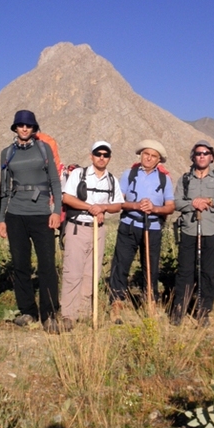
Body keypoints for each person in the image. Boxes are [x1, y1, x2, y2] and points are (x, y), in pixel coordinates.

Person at [0, 110, 62, 333]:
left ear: (34, 128)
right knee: (20, 265)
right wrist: (1, 218)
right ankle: (28, 311)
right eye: (20, 125)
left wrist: (57, 211)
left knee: (47, 265)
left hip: (41, 214)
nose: (24, 128)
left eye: (29, 125)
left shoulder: (43, 149)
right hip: (15, 215)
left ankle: (49, 314)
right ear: (15, 127)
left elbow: (55, 181)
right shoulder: (7, 153)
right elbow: (4, 189)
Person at [60, 141, 125, 331]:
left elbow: (118, 204)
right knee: (73, 272)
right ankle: (68, 315)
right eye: (98, 154)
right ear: (91, 156)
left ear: (109, 158)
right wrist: (90, 207)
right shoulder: (78, 175)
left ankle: (85, 312)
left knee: (92, 273)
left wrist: (103, 207)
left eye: (105, 155)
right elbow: (67, 198)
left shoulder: (112, 180)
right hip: (77, 228)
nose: (101, 157)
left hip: (98, 229)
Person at [108, 140, 175, 319]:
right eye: (146, 154)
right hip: (129, 225)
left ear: (158, 160)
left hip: (152, 227)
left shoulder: (164, 179)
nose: (149, 158)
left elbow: (170, 206)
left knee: (151, 267)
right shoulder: (128, 174)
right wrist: (136, 205)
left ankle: (150, 301)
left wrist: (154, 209)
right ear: (141, 154)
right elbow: (118, 201)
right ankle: (116, 301)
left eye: (153, 156)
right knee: (121, 264)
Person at [170, 140, 214, 326]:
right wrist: (193, 204)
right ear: (193, 157)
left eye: (205, 153)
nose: (202, 156)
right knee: (185, 271)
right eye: (198, 153)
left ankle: (203, 310)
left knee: (208, 272)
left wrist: (210, 201)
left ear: (211, 157)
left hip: (211, 230)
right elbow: (177, 202)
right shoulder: (185, 179)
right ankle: (179, 308)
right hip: (189, 230)